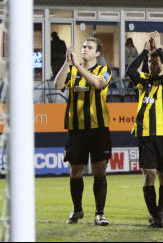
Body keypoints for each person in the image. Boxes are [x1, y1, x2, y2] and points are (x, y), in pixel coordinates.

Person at [54, 37, 112, 226]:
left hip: (98, 129)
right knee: (75, 172)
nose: (85, 49)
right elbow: (57, 85)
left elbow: (98, 84)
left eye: (90, 47)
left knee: (99, 171)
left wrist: (77, 66)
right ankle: (78, 209)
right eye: (83, 46)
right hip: (76, 129)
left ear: (97, 53)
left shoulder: (104, 70)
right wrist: (67, 62)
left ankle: (99, 212)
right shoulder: (71, 70)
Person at [127, 31, 163, 228]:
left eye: (155, 61)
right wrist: (145, 51)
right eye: (150, 61)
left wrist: (158, 49)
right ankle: (156, 216)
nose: (151, 64)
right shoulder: (144, 81)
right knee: (149, 173)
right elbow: (131, 71)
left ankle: (160, 208)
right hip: (146, 134)